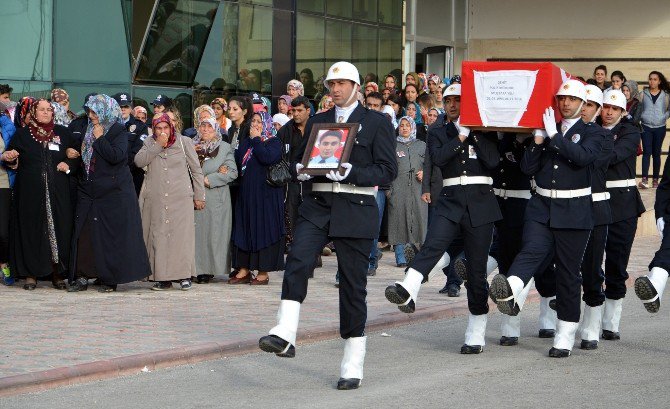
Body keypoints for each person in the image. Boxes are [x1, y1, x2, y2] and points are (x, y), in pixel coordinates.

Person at [259, 61, 397, 390]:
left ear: (356, 86)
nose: (334, 89)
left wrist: (353, 172)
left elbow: (386, 171)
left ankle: (352, 361)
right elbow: (305, 160)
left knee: (352, 286)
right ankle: (285, 333)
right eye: (331, 84)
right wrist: (299, 171)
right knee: (297, 261)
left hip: (356, 205)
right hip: (318, 204)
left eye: (342, 83)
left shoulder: (376, 122)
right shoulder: (317, 120)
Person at [489, 79, 605, 358]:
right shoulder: (546, 129)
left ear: (582, 104)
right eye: (562, 98)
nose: (566, 103)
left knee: (567, 273)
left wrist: (555, 136)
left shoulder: (595, 134)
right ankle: (510, 289)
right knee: (531, 250)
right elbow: (528, 168)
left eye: (572, 100)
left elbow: (582, 158)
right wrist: (538, 140)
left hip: (574, 212)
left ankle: (564, 334)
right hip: (541, 206)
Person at [386, 77, 501, 354]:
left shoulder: (485, 130)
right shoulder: (439, 131)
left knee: (475, 269)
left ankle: (476, 328)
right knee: (433, 244)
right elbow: (439, 158)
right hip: (450, 200)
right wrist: (460, 136)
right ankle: (408, 286)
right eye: (447, 101)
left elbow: (493, 161)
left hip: (480, 203)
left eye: (457, 100)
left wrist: (473, 132)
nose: (451, 105)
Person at [68, 95, 151, 292]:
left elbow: (117, 156)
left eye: (95, 111)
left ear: (106, 110)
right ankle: (82, 275)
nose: (91, 115)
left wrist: (100, 138)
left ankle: (109, 279)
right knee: (85, 232)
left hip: (113, 191)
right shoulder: (89, 128)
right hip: (89, 189)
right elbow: (87, 158)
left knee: (109, 236)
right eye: (89, 111)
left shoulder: (118, 130)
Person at [5, 99, 78, 290]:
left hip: (58, 192)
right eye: (42, 110)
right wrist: (10, 158)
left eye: (49, 110)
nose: (46, 113)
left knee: (59, 229)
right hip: (30, 192)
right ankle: (31, 274)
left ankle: (57, 273)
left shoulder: (63, 133)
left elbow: (76, 158)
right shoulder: (22, 135)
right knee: (31, 229)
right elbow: (11, 160)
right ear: (33, 112)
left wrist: (68, 164)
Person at [135, 113, 206, 291]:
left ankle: (184, 276)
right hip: (157, 198)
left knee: (181, 237)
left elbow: (196, 171)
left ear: (172, 127)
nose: (163, 131)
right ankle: (162, 278)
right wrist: (158, 145)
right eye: (159, 128)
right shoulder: (150, 142)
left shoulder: (184, 142)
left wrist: (199, 195)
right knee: (159, 237)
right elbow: (139, 161)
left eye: (166, 128)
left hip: (180, 198)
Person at [599, 89, 645, 339]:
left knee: (617, 262)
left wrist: (588, 150)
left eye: (613, 109)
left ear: (622, 111)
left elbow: (615, 155)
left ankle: (611, 321)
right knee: (592, 263)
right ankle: (593, 314)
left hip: (623, 205)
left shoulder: (630, 131)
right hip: (595, 202)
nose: (607, 112)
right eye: (605, 107)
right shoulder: (592, 127)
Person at [573, 86, 613, 349]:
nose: (584, 108)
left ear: (598, 110)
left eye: (589, 104)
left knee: (591, 268)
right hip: (569, 207)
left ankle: (591, 324)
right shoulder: (568, 132)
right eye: (582, 103)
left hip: (595, 208)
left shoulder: (603, 137)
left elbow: (586, 162)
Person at [229, 111, 285, 285]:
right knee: (244, 229)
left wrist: (256, 140)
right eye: (253, 121)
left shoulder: (274, 142)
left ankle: (263, 272)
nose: (255, 124)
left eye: (259, 121)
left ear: (266, 124)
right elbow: (239, 163)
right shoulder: (246, 142)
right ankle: (244, 269)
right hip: (247, 194)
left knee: (263, 230)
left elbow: (266, 157)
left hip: (266, 196)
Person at [193, 117, 237, 283]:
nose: (205, 130)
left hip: (215, 196)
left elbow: (232, 172)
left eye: (209, 127)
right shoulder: (192, 145)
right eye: (202, 126)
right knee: (196, 234)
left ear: (216, 129)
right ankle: (194, 268)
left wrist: (209, 179)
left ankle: (209, 269)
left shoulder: (224, 147)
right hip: (194, 195)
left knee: (213, 234)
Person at [388, 116, 427, 268]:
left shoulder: (421, 145)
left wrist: (424, 172)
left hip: (418, 190)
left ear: (412, 128)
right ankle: (401, 257)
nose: (404, 128)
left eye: (407, 125)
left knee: (419, 220)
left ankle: (418, 255)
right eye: (402, 125)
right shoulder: (393, 145)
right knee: (398, 220)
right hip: (398, 188)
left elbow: (430, 165)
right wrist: (389, 191)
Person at [278, 96, 312, 252]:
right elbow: (280, 156)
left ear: (308, 110)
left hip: (313, 181)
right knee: (292, 215)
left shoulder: (316, 128)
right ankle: (295, 250)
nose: (296, 114)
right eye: (294, 110)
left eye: (300, 110)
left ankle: (314, 253)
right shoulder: (285, 130)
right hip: (291, 181)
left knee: (312, 217)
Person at [638, 70, 670, 188]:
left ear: (659, 81)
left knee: (657, 153)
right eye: (650, 79)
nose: (652, 81)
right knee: (647, 152)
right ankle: (644, 179)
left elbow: (669, 110)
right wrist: (642, 116)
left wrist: (664, 117)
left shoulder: (666, 95)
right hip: (646, 126)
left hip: (660, 127)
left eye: (655, 79)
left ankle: (655, 180)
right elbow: (638, 108)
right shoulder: (642, 94)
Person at [113, 92, 149, 196]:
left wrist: (122, 166)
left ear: (130, 108)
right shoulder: (108, 125)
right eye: (120, 106)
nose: (123, 109)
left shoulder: (140, 126)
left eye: (126, 106)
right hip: (111, 174)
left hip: (132, 174)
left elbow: (138, 150)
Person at [0, 106, 15, 285]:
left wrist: (13, 158)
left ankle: (4, 262)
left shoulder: (6, 125)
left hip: (3, 183)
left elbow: (15, 147)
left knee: (3, 231)